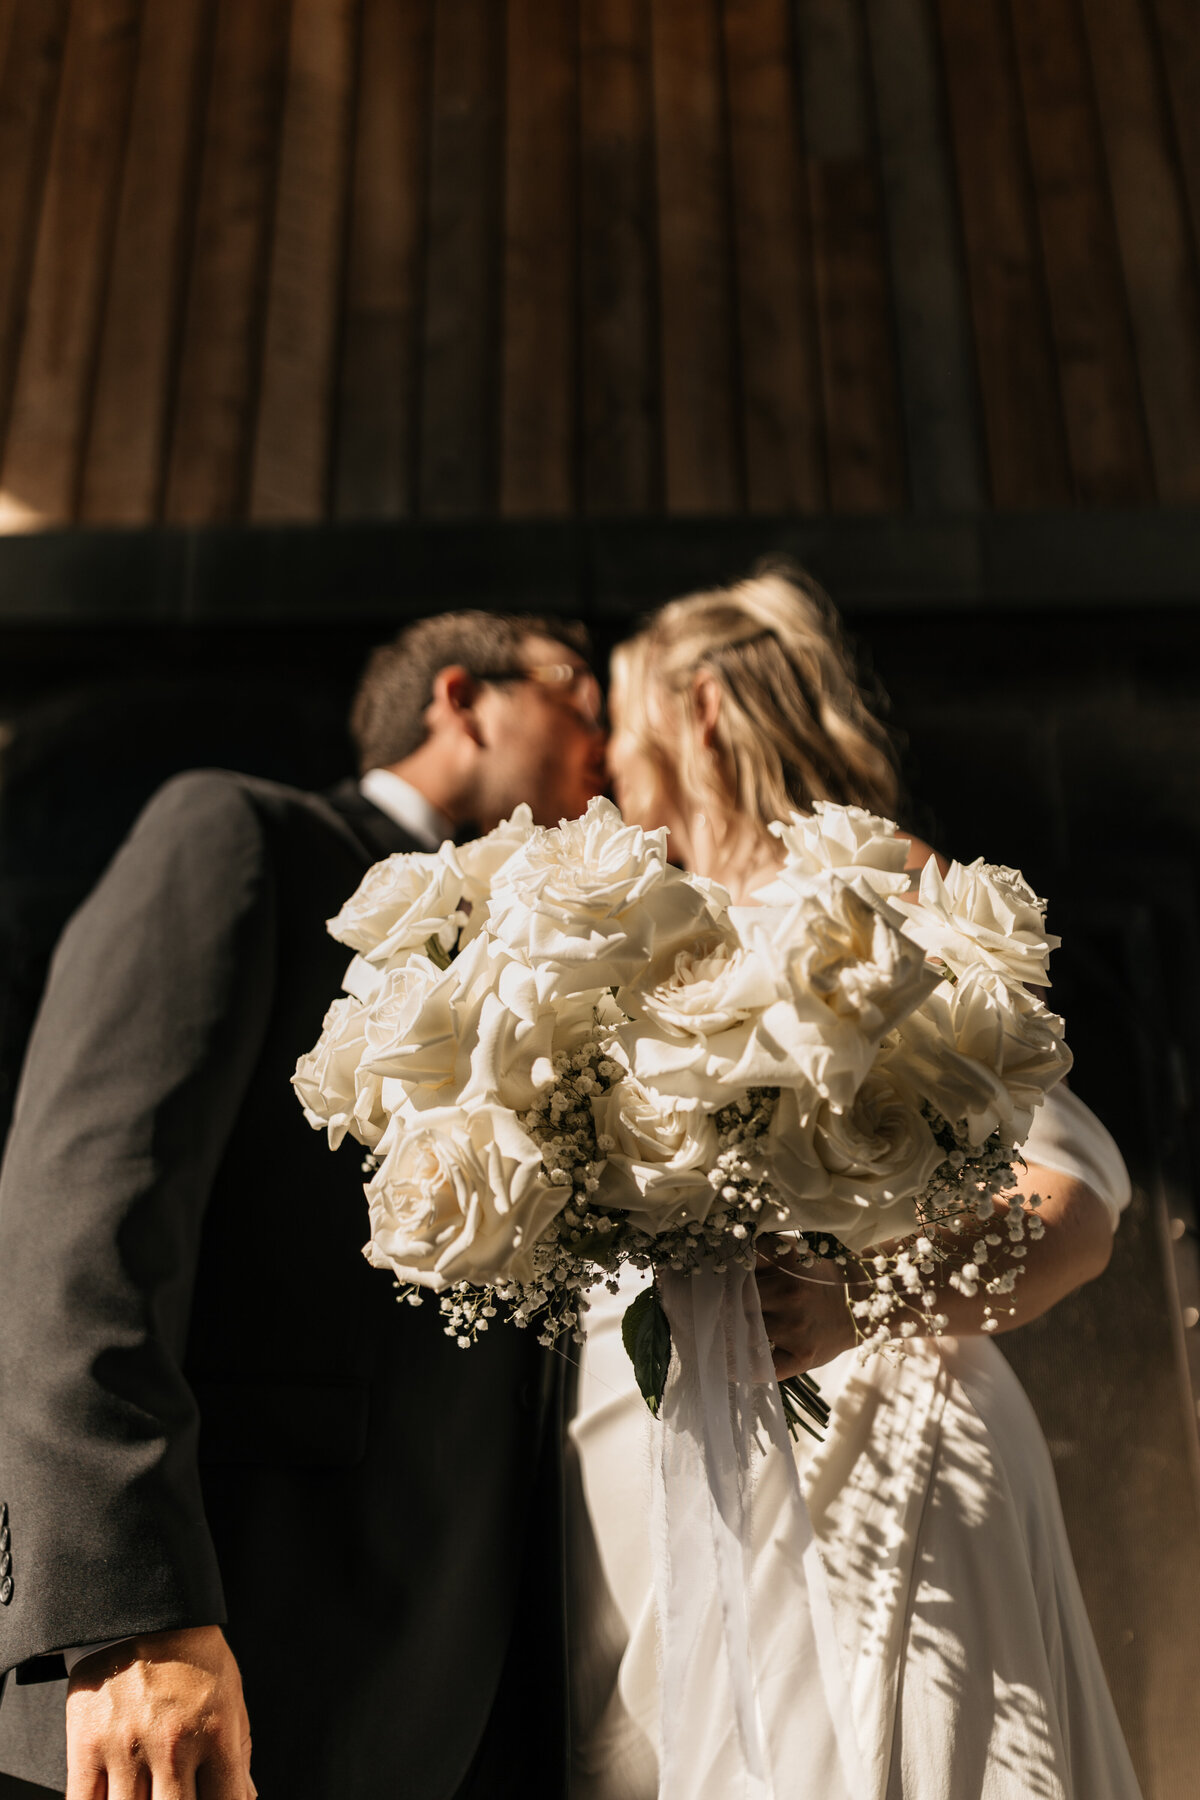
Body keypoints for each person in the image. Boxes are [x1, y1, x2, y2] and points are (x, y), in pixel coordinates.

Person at [0, 609, 607, 1800]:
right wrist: (128, 1610)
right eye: (575, 688)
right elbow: (86, 1206)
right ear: (462, 698)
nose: (606, 729)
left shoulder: (571, 956)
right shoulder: (240, 834)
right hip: (212, 1665)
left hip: (448, 1689)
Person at [568, 568, 1143, 1799]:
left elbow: (1075, 1200)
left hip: (874, 1439)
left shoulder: (873, 898)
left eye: (620, 717)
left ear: (702, 709)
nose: (602, 756)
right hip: (650, 1441)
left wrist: (854, 1301)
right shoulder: (611, 937)